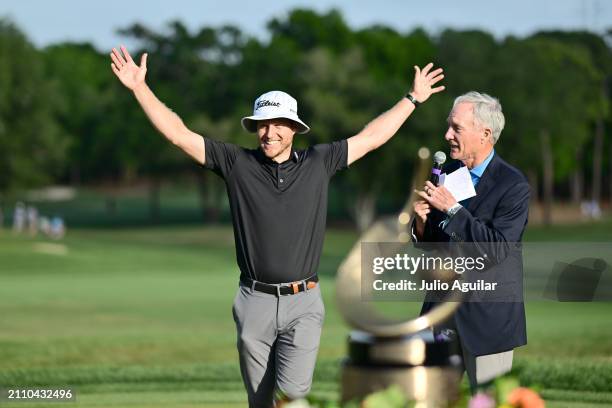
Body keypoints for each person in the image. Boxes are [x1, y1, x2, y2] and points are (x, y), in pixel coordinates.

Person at [110, 45, 444, 407]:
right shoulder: (235, 163)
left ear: (294, 128)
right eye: (262, 125)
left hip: (304, 302)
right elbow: (179, 134)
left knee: (293, 399)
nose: (269, 133)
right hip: (254, 301)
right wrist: (139, 88)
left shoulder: (319, 161)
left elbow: (372, 137)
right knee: (260, 402)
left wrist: (413, 98)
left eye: (277, 125)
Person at [412, 92, 530, 392]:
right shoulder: (448, 173)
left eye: (456, 128)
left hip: (488, 321)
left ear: (485, 133)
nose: (447, 135)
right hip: (440, 316)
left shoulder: (513, 185)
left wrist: (452, 209)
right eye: (448, 126)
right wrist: (423, 227)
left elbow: (497, 248)